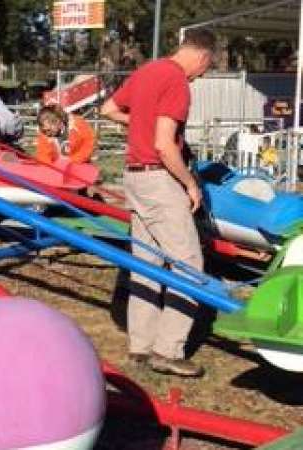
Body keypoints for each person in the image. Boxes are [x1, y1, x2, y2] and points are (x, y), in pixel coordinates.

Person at [101, 28, 216, 377]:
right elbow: (165, 145)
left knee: (147, 262)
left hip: (134, 176)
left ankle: (141, 345)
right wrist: (191, 184)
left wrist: (139, 122)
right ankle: (167, 350)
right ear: (203, 56)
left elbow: (108, 109)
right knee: (189, 265)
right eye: (206, 69)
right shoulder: (177, 81)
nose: (202, 76)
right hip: (158, 178)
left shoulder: (147, 70)